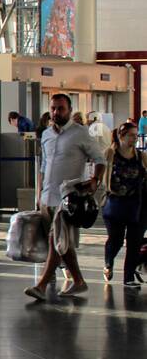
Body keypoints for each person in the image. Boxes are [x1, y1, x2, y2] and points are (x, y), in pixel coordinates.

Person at [26, 93, 105, 300]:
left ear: (69, 110)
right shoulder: (46, 135)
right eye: (53, 108)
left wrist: (95, 181)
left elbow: (99, 158)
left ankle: (41, 285)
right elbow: (44, 166)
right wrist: (39, 193)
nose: (55, 112)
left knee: (55, 240)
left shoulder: (81, 134)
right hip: (47, 197)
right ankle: (79, 281)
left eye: (60, 108)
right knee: (63, 243)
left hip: (67, 197)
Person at [101, 120, 147, 288]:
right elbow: (99, 175)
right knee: (116, 239)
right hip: (115, 205)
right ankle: (108, 261)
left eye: (135, 136)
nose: (134, 139)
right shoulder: (109, 154)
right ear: (121, 136)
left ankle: (128, 278)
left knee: (134, 242)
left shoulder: (141, 157)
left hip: (137, 205)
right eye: (131, 136)